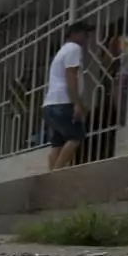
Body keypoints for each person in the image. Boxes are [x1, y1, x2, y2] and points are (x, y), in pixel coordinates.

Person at [43, 21, 93, 171]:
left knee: (57, 144)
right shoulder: (73, 48)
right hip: (62, 103)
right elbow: (71, 76)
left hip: (50, 104)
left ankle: (50, 178)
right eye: (85, 33)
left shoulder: (62, 51)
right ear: (74, 34)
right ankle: (57, 175)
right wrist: (77, 103)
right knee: (75, 137)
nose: (87, 37)